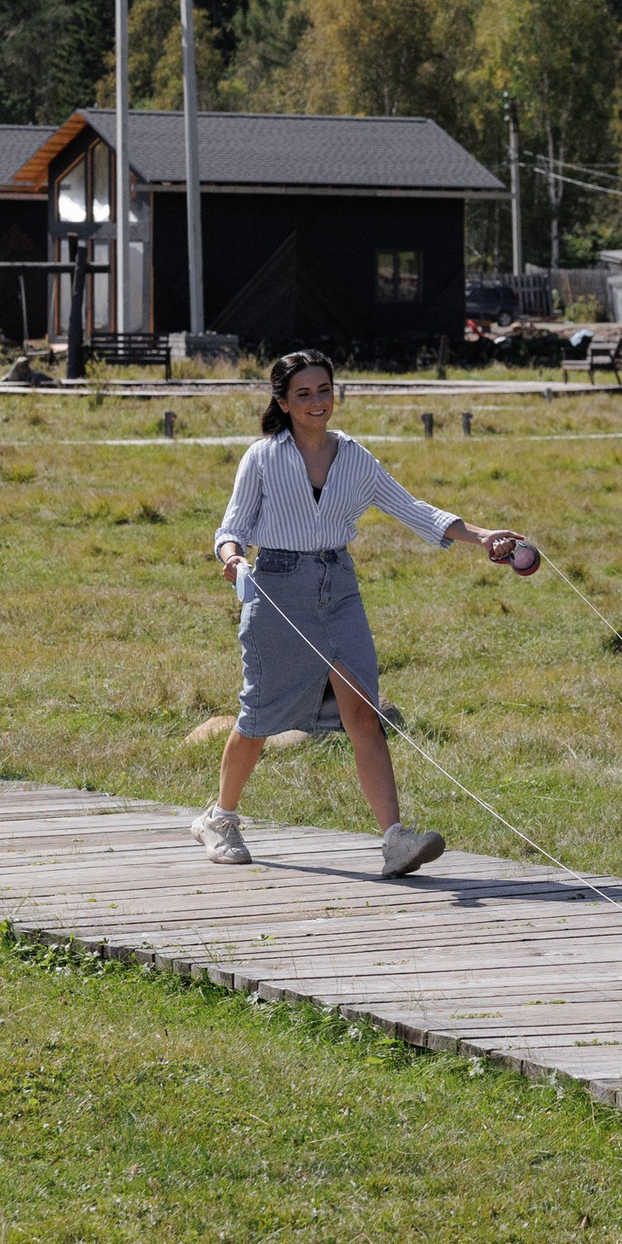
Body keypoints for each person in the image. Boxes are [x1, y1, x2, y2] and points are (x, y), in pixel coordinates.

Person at [198, 349, 530, 875]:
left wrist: (483, 536)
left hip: (340, 590)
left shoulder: (355, 457)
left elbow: (414, 510)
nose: (317, 402)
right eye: (303, 394)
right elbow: (229, 529)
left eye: (324, 391)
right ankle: (220, 818)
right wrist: (232, 558)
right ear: (282, 402)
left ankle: (395, 839)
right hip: (277, 591)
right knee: (259, 716)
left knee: (363, 713)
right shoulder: (260, 457)